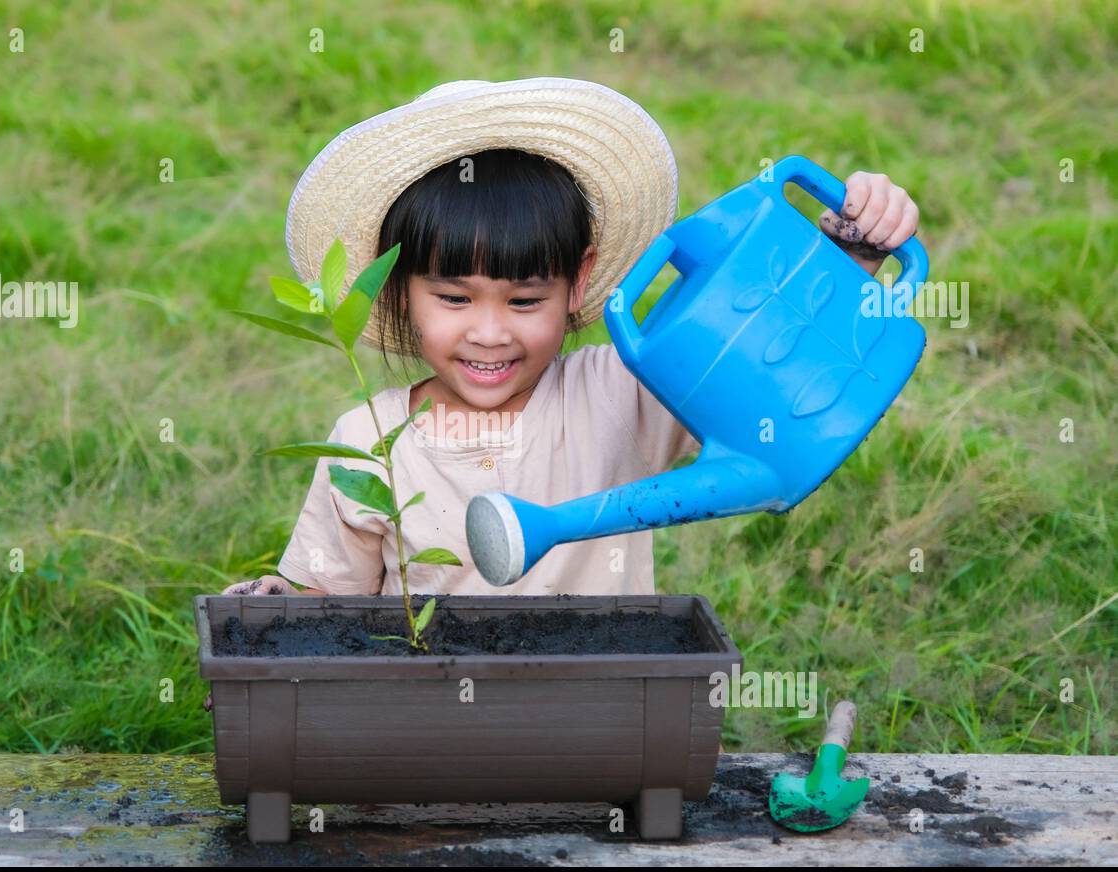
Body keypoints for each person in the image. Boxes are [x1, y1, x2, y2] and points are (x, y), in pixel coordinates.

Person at [224, 77, 919, 603]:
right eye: (453, 297)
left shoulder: (627, 389)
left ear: (578, 283)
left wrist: (849, 252)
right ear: (399, 287)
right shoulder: (366, 440)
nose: (490, 333)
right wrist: (274, 608)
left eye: (526, 300)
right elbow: (324, 609)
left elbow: (775, 357)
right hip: (425, 738)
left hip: (601, 724)